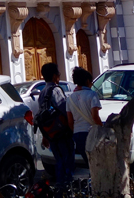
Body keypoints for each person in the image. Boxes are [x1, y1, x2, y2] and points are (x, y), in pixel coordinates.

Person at [37, 62, 73, 193]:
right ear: (54, 76)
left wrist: (45, 136)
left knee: (59, 160)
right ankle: (66, 187)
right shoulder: (56, 90)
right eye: (58, 74)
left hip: (51, 133)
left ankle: (60, 187)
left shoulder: (42, 93)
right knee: (67, 159)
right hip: (61, 131)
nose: (59, 76)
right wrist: (71, 127)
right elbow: (64, 109)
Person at [67, 67, 102, 166]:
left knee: (88, 163)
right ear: (87, 81)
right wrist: (102, 128)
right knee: (96, 163)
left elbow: (70, 121)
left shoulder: (70, 98)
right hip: (91, 133)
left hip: (77, 134)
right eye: (91, 82)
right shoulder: (92, 94)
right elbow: (95, 117)